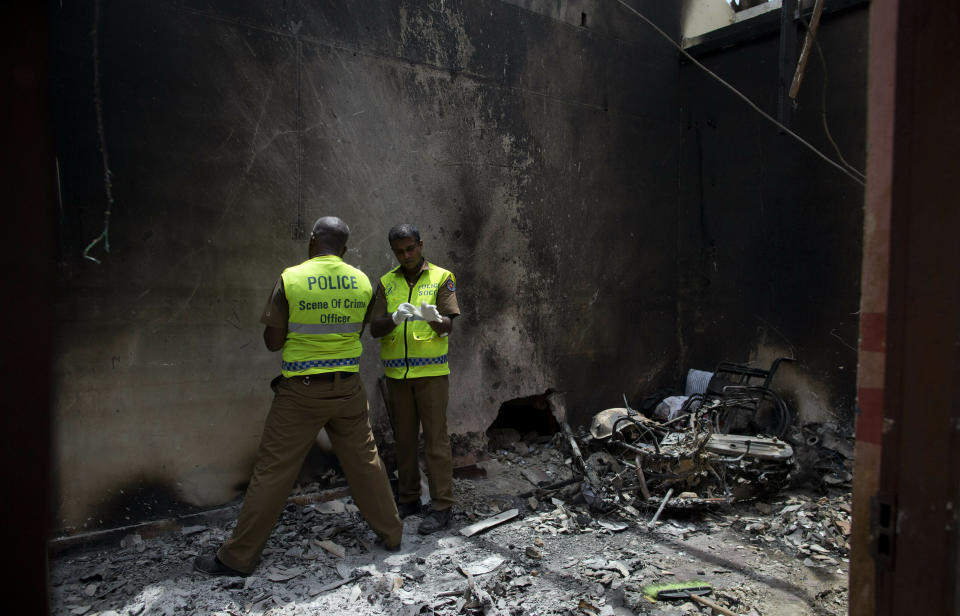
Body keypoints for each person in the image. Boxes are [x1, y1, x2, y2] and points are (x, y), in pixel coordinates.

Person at [194, 216, 403, 577]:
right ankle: (392, 533)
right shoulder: (362, 281)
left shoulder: (291, 278)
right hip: (348, 389)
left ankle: (238, 557)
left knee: (273, 471)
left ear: (311, 241)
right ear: (345, 248)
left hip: (301, 392)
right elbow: (364, 327)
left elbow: (274, 342)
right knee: (366, 462)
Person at [369, 223, 460, 535]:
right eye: (399, 251)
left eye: (410, 248)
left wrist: (433, 317)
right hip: (397, 375)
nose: (405, 255)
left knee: (435, 441)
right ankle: (408, 499)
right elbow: (374, 329)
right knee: (404, 440)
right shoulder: (385, 283)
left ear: (421, 245)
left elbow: (448, 326)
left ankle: (442, 506)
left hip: (432, 374)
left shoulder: (441, 277)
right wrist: (394, 319)